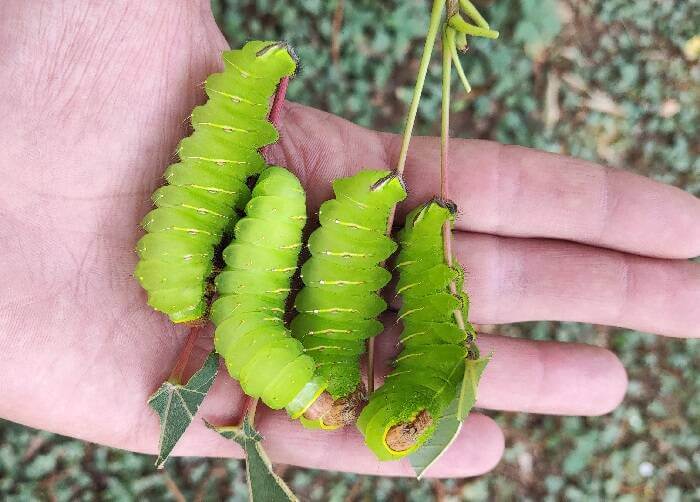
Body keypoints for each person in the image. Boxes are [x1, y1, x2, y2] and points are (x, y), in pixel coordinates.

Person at [0, 1, 697, 478]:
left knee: (273, 223)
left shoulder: (238, 302)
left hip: (251, 267)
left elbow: (253, 316)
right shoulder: (231, 301)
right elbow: (248, 317)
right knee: (268, 219)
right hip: (242, 266)